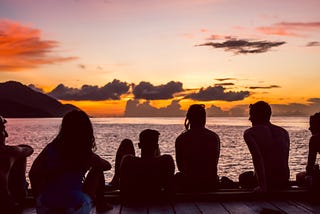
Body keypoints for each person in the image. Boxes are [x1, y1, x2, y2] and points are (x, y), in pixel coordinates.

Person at [29, 110, 112, 213]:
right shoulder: (84, 153)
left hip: (46, 207)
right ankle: (101, 204)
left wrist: (39, 200)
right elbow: (107, 166)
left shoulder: (50, 148)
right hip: (74, 209)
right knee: (98, 168)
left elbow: (33, 174)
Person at [240, 101, 290, 192]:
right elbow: (285, 159)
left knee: (243, 177)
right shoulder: (283, 132)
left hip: (268, 182)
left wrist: (262, 186)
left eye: (251, 115)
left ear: (257, 116)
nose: (249, 119)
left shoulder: (250, 133)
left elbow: (257, 158)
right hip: (283, 180)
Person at [119, 129, 175, 204]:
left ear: (139, 145)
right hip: (156, 196)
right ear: (156, 146)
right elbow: (169, 188)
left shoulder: (128, 161)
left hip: (134, 199)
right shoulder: (166, 160)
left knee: (126, 143)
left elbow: (122, 187)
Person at [175, 104, 220, 192]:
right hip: (210, 183)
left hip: (188, 183)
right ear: (204, 118)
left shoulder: (181, 139)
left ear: (188, 118)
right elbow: (214, 164)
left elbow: (180, 167)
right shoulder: (213, 137)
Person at [0, 115, 34, 214]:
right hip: (6, 207)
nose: (6, 135)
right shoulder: (8, 152)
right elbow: (28, 149)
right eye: (2, 130)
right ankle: (21, 195)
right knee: (21, 158)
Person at [296, 113, 320, 188]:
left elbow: (309, 167)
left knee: (299, 176)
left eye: (312, 125)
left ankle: (311, 198)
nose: (309, 128)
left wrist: (313, 170)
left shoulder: (315, 139)